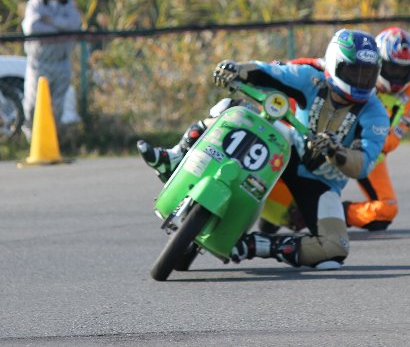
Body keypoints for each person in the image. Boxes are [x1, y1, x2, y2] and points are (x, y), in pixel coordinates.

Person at [138, 29, 390, 270]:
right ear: (334, 64)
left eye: (367, 74)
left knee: (334, 250)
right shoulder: (310, 78)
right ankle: (178, 155)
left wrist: (336, 151)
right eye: (353, 71)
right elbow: (268, 72)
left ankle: (252, 246)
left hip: (322, 181)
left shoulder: (376, 113)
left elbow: (363, 164)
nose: (360, 81)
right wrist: (236, 69)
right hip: (287, 150)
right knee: (232, 110)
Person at [268, 27, 410, 231]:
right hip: (322, 126)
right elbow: (313, 66)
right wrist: (280, 69)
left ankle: (330, 213)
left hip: (366, 145)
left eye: (404, 71)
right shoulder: (352, 67)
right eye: (391, 68)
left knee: (386, 210)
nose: (397, 77)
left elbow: (390, 141)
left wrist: (356, 139)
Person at [21, 0, 82, 140]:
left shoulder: (68, 3)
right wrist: (61, 29)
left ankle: (52, 139)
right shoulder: (35, 4)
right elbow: (32, 27)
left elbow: (74, 24)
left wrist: (52, 22)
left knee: (57, 105)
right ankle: (32, 138)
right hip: (39, 64)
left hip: (61, 62)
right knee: (33, 103)